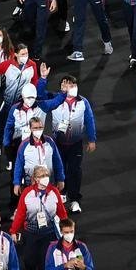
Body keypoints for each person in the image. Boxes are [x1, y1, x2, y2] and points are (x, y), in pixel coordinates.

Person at [45, 74, 97, 213]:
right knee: (59, 169)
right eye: (67, 84)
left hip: (76, 143)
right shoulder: (54, 99)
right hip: (58, 143)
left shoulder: (83, 102)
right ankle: (61, 194)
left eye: (73, 85)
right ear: (62, 87)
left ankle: (74, 199)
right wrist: (43, 78)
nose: (71, 87)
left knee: (74, 171)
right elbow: (39, 94)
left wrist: (92, 139)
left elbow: (89, 120)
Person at [10, 166, 68, 270]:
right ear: (36, 179)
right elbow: (20, 214)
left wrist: (67, 229)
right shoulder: (27, 193)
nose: (45, 178)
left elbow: (62, 212)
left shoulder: (54, 192)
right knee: (28, 259)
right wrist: (13, 231)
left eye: (46, 176)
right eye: (42, 176)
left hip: (48, 232)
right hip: (31, 232)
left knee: (45, 259)